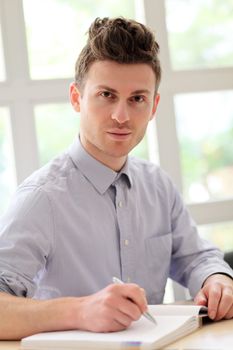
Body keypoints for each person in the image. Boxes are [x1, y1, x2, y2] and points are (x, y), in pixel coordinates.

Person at [0, 17, 232, 340]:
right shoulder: (41, 198)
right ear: (76, 98)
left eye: (137, 98)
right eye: (107, 95)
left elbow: (197, 258)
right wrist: (81, 311)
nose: (121, 116)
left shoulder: (157, 186)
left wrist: (217, 280)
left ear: (153, 106)